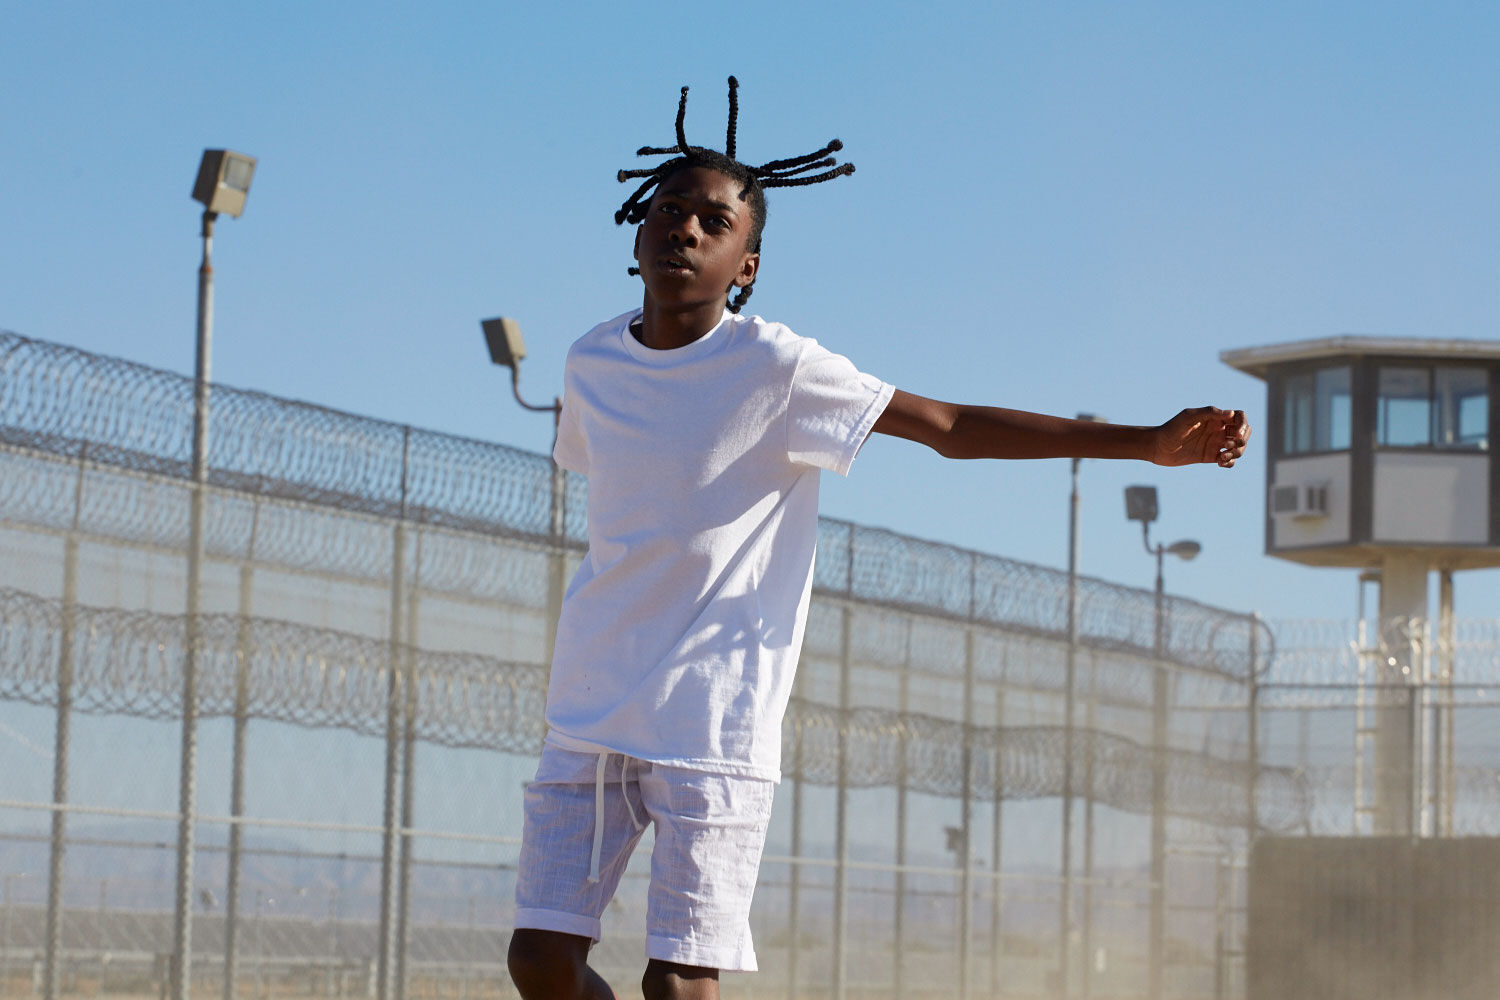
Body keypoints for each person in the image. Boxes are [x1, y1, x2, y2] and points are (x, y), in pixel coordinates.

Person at [506, 78, 1251, 1000]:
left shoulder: (777, 369)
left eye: (714, 221)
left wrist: (1140, 442)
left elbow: (947, 426)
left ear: (747, 264)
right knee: (538, 962)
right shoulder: (591, 362)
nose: (685, 229)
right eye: (669, 209)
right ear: (637, 229)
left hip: (713, 721)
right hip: (591, 711)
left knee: (680, 984)